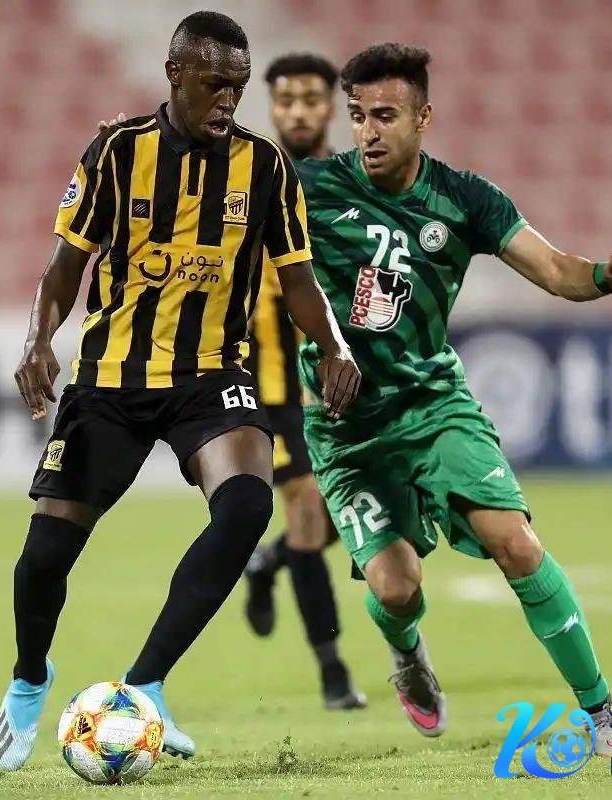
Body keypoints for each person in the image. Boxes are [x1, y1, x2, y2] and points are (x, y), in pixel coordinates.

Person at [0, 11, 360, 771]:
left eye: (238, 88)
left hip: (211, 374)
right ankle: (30, 677)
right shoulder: (118, 152)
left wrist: (334, 345)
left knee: (248, 505)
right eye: (214, 84)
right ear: (175, 75)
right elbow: (65, 268)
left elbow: (298, 279)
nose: (228, 101)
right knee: (44, 559)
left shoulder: (265, 167)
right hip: (112, 379)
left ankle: (147, 683)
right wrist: (37, 340)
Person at [294, 43, 612, 755]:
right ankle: (408, 653)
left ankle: (602, 713)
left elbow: (553, 268)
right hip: (345, 429)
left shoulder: (466, 200)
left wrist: (602, 277)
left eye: (386, 116)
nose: (368, 131)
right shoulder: (310, 188)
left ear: (423, 118)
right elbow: (218, 198)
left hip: (434, 404)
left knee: (514, 542)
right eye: (358, 116)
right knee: (396, 589)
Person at [240, 52, 365, 711]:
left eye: (310, 99)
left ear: (330, 107)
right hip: (273, 386)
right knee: (311, 508)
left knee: (359, 509)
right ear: (272, 107)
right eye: (285, 99)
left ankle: (270, 561)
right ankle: (333, 672)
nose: (297, 111)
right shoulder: (244, 175)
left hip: (345, 373)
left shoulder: (353, 184)